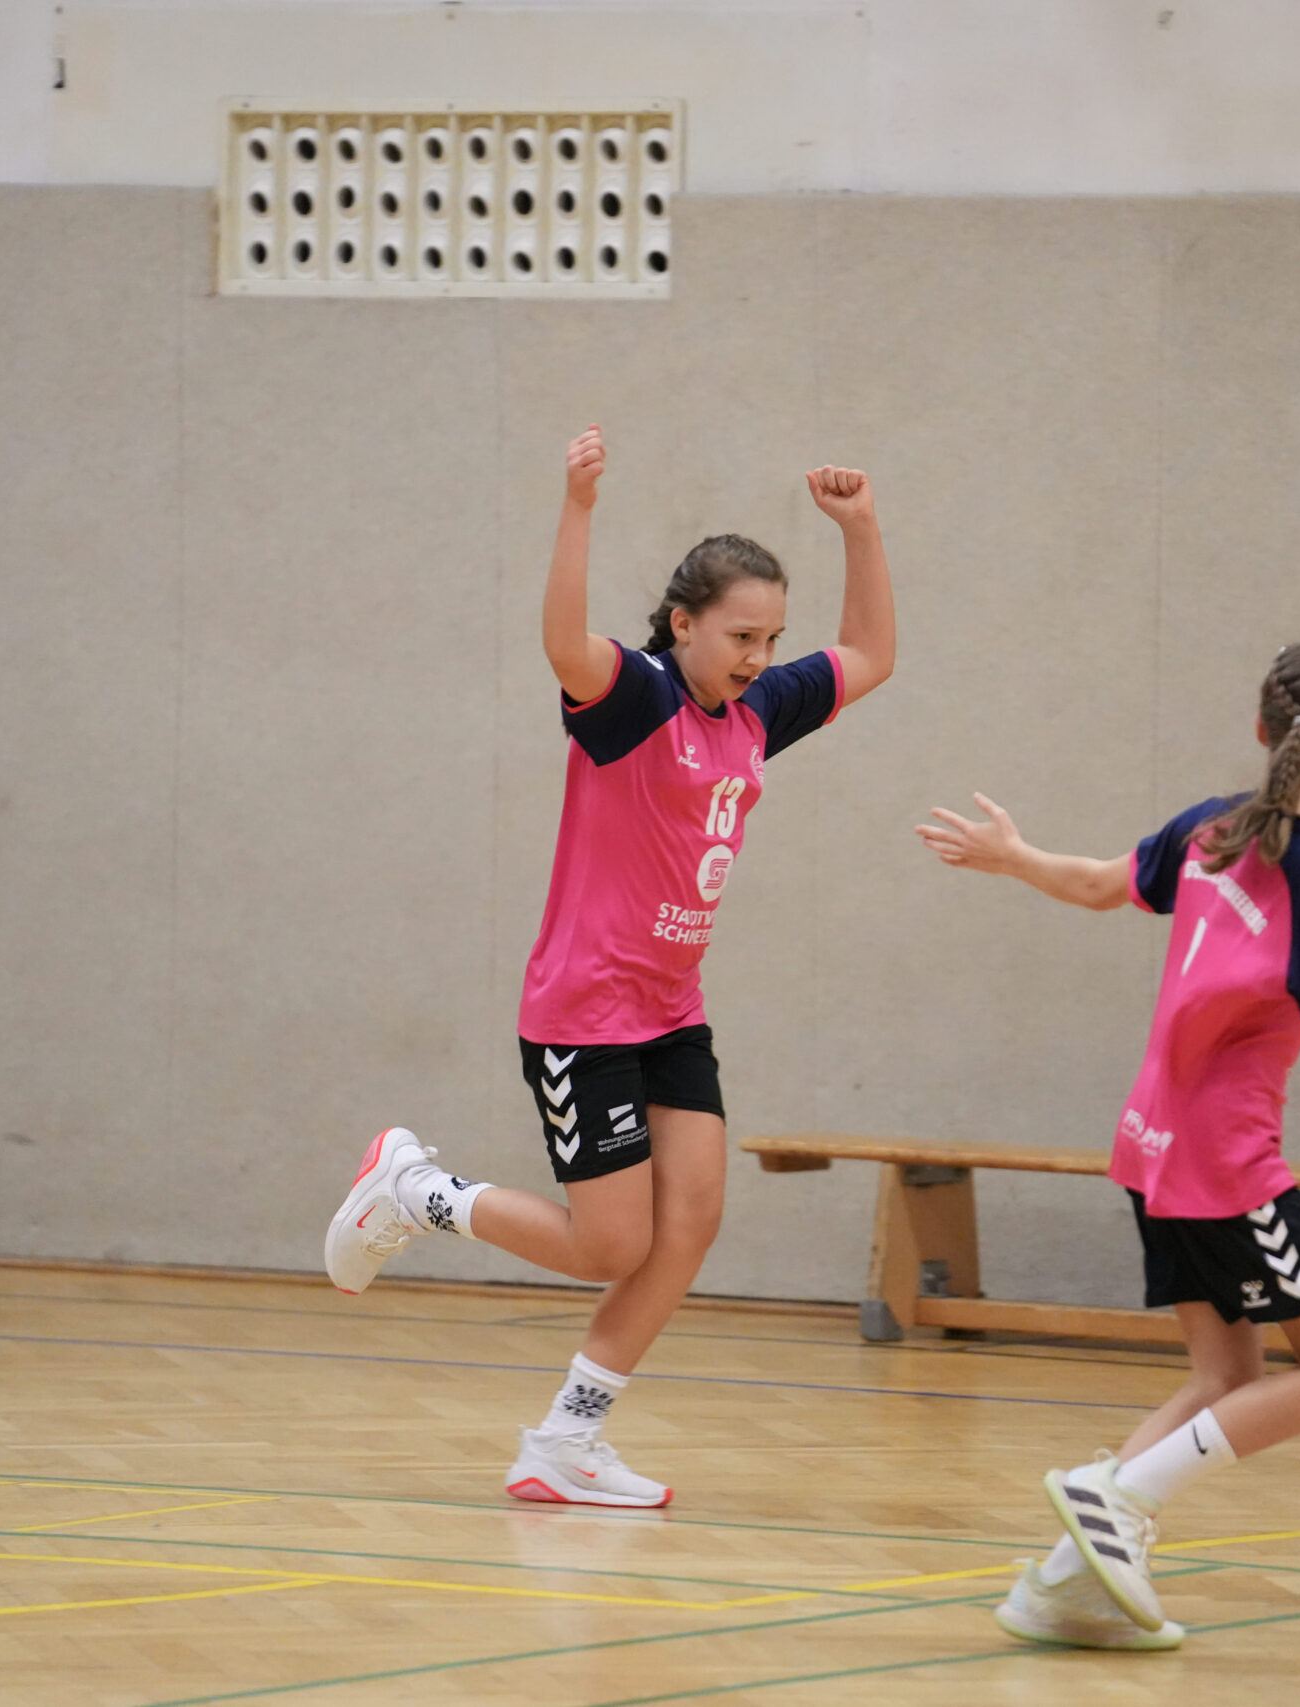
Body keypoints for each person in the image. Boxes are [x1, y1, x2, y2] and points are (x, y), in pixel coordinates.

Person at [324, 424, 895, 1509]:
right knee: (609, 1244)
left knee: (691, 1223)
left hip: (670, 1010)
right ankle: (416, 1191)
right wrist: (578, 506)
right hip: (584, 1012)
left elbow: (869, 655)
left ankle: (565, 1443)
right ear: (682, 623)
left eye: (771, 638)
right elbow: (561, 641)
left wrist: (860, 529)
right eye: (739, 635)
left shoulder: (756, 712)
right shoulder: (635, 700)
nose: (758, 656)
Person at [917, 640, 1300, 1649]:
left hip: (1149, 1145)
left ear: (1261, 729)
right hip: (1228, 1166)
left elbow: (1098, 885)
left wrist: (1015, 857)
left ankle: (1060, 1588)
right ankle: (1113, 1493)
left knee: (1224, 1378)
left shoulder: (1210, 828)